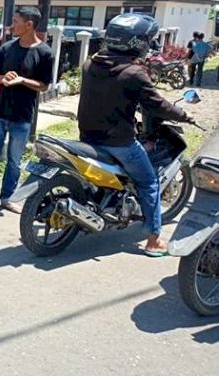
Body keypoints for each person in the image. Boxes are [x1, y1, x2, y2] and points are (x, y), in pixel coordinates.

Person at [78, 13, 193, 257]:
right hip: (119, 143)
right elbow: (157, 105)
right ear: (137, 43)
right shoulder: (134, 74)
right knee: (149, 182)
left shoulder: (90, 64)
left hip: (87, 137)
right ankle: (153, 240)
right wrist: (183, 115)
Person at [0, 6, 53, 213]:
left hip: (22, 116)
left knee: (14, 159)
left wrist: (22, 80)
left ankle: (8, 197)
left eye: (16, 21)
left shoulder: (45, 53)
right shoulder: (6, 48)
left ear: (29, 24)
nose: (12, 26)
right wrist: (4, 79)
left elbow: (44, 85)